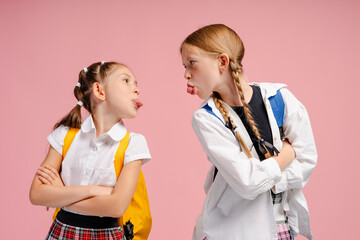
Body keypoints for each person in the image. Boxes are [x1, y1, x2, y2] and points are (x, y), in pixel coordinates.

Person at [180, 24, 317, 240]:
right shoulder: (206, 117)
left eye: (192, 63)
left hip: (279, 225)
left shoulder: (280, 98)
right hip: (229, 231)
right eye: (184, 66)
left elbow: (308, 159)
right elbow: (247, 183)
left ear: (222, 62)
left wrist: (269, 181)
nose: (186, 74)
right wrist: (287, 154)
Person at [29, 61, 151, 239]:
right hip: (62, 232)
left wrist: (61, 194)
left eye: (136, 84)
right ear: (99, 91)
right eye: (126, 81)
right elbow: (36, 194)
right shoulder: (64, 136)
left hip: (108, 234)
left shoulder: (134, 144)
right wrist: (94, 190)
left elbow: (117, 206)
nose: (136, 89)